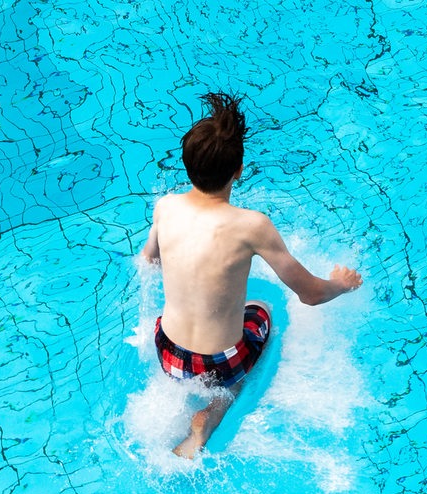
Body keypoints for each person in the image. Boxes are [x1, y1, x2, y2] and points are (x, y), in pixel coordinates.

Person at [140, 92, 362, 458]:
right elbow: (310, 294)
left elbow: (148, 262)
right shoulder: (252, 226)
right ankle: (211, 415)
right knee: (261, 310)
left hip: (167, 352)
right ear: (238, 170)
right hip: (219, 366)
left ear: (186, 165)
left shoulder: (166, 208)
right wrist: (340, 283)